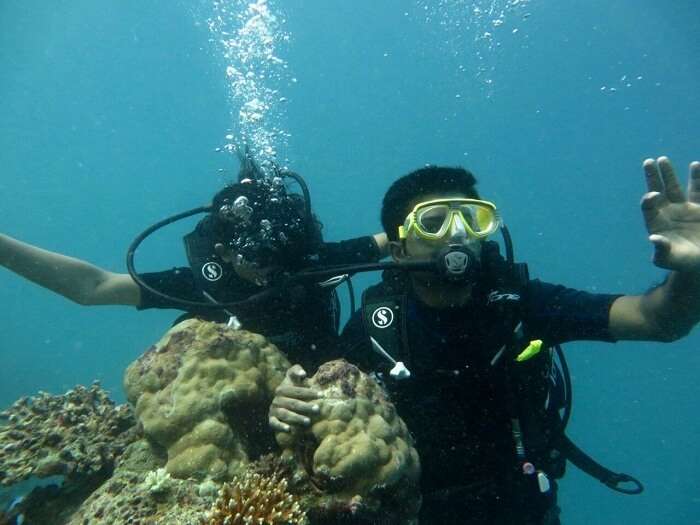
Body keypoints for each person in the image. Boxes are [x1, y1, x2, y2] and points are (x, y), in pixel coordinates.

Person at [268, 156, 700, 524]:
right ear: (398, 251)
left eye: (473, 219)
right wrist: (287, 402)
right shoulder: (376, 326)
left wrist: (691, 273)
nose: (458, 234)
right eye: (434, 223)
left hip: (519, 510)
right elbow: (315, 392)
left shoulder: (524, 303)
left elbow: (658, 320)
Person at [1, 155, 387, 368]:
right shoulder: (204, 287)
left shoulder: (313, 263)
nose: (267, 272)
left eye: (276, 256)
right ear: (221, 252)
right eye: (253, 258)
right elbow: (93, 287)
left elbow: (395, 240)